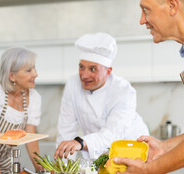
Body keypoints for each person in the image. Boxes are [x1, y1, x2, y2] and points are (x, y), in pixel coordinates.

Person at [115, 0, 184, 174]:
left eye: (146, 10)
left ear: (172, 6)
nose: (142, 20)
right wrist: (165, 147)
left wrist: (149, 171)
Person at [54, 32, 149, 161]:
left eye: (93, 69)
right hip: (98, 153)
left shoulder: (123, 90)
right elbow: (66, 129)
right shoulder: (73, 84)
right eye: (82, 67)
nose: (85, 75)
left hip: (131, 150)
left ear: (108, 72)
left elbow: (114, 134)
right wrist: (63, 171)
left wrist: (80, 143)